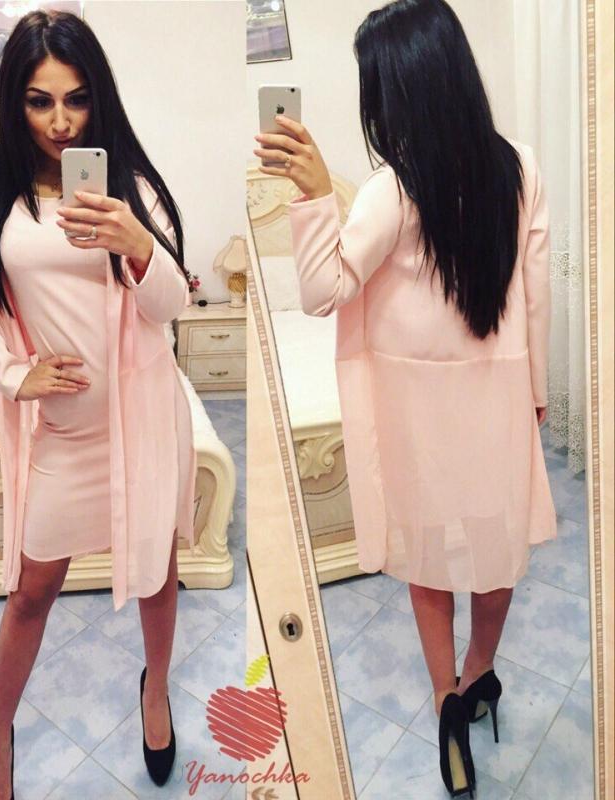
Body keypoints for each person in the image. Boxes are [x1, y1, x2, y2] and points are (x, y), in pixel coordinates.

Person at [253, 0, 556, 796]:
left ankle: (446, 698)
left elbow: (321, 291)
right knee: (495, 547)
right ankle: (480, 673)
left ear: (400, 91)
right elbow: (536, 295)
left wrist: (313, 197)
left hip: (417, 413)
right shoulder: (520, 167)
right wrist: (535, 394)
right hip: (496, 398)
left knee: (428, 558)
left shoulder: (392, 189)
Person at [0, 10, 194, 797]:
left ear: (96, 97)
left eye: (75, 99)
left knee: (157, 571)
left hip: (144, 423)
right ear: (15, 102)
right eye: (39, 101)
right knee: (31, 592)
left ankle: (155, 689)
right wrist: (15, 374)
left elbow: (170, 307)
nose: (59, 121)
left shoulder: (132, 189)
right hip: (65, 436)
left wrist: (137, 245)